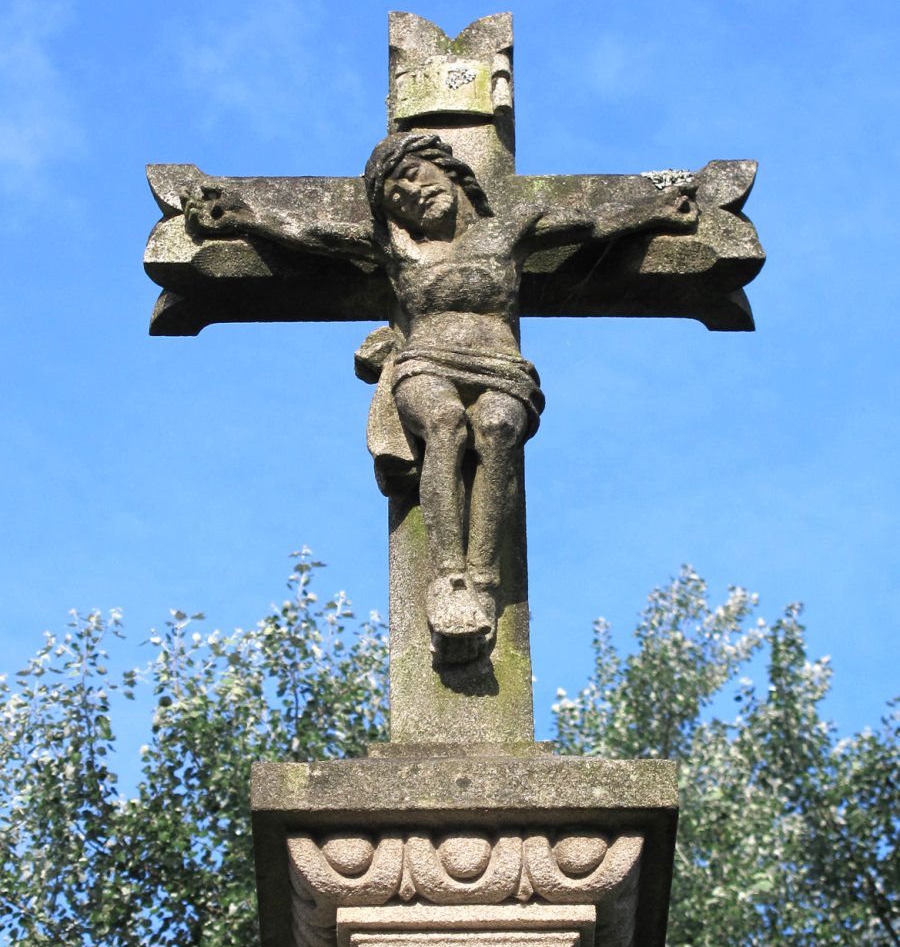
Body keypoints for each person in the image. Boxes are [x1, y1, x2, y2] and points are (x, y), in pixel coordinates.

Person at [183, 133, 697, 662]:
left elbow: (590, 225)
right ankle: (450, 577)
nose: (413, 196)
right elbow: (311, 234)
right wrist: (242, 218)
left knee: (497, 431)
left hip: (500, 365)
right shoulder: (395, 248)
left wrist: (656, 208)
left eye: (414, 177)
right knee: (446, 424)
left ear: (449, 170)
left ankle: (484, 576)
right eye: (396, 198)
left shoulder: (507, 232)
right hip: (424, 362)